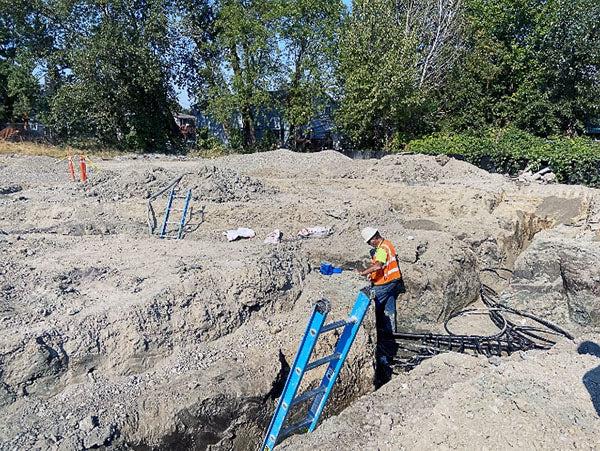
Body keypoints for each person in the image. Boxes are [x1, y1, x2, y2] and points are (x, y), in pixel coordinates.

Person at [357, 227, 404, 336]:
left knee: (371, 304)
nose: (369, 244)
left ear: (374, 238)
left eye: (369, 242)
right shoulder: (387, 244)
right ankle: (391, 333)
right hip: (393, 280)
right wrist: (371, 275)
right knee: (389, 306)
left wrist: (364, 273)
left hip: (385, 282)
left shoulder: (382, 249)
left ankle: (373, 334)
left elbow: (378, 265)